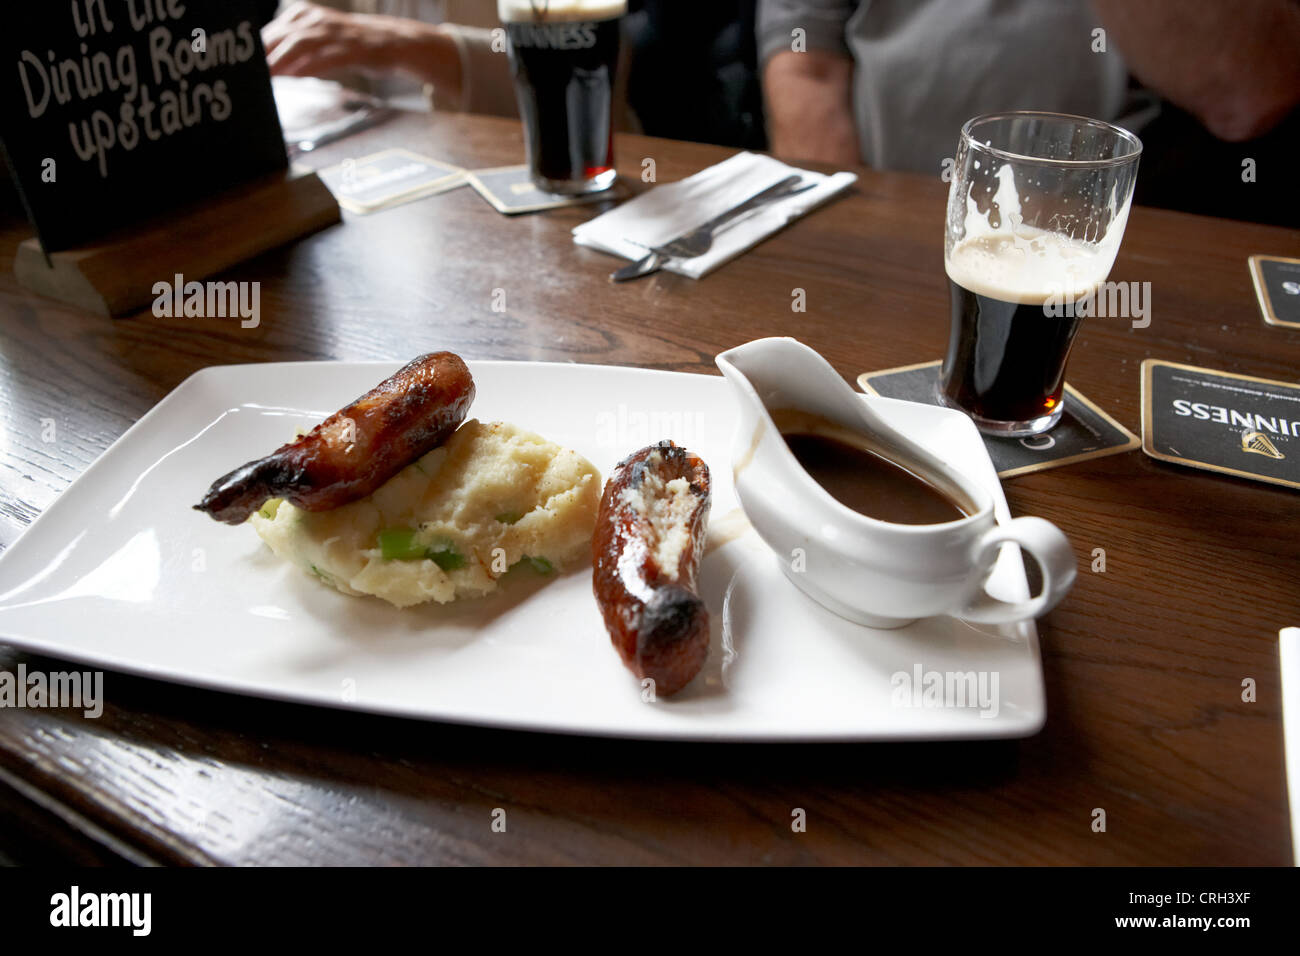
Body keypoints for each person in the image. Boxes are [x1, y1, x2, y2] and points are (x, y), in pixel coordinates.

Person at [757, 0, 1300, 225]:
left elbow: (1245, 92)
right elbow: (805, 64)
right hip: (880, 214)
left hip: (1103, 248)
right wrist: (853, 230)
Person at [262, 1, 768, 147]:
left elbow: (590, 82)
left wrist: (409, 46)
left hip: (543, 180)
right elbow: (307, 36)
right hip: (368, 180)